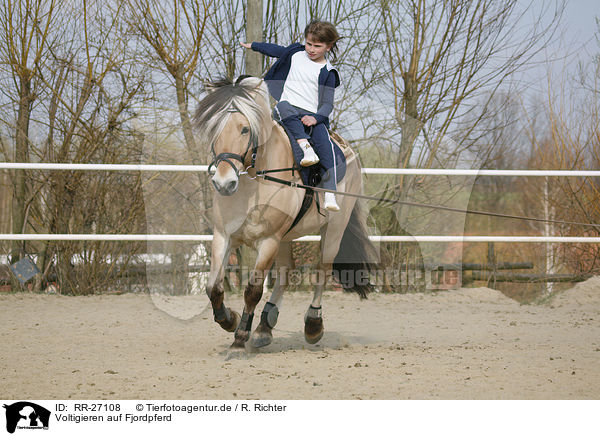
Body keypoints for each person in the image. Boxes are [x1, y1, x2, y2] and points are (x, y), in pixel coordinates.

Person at [241, 20, 342, 211]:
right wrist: (254, 46)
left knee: (326, 147)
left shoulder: (328, 72)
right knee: (283, 106)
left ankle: (330, 193)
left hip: (311, 115)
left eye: (317, 46)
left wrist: (316, 119)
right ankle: (306, 148)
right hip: (288, 108)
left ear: (328, 46)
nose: (311, 49)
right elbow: (276, 50)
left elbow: (328, 104)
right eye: (309, 43)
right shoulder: (296, 53)